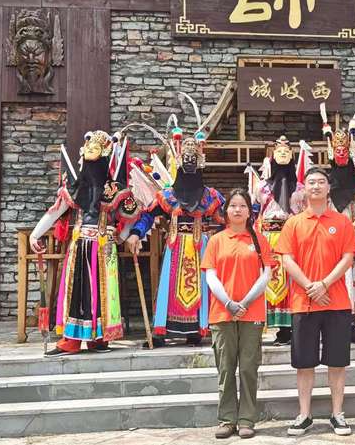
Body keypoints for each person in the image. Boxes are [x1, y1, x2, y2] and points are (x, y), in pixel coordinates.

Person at [126, 96, 225, 347]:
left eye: (194, 158)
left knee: (200, 286)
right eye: (186, 158)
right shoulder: (168, 195)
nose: (190, 162)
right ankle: (163, 330)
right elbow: (149, 214)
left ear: (200, 163)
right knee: (169, 287)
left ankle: (197, 330)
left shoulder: (210, 196)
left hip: (200, 246)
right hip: (175, 246)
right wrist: (136, 233)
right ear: (179, 162)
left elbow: (224, 220)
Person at [30, 130, 137, 356]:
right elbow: (57, 210)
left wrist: (123, 237)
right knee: (79, 293)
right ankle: (75, 339)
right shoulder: (80, 187)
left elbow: (130, 215)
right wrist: (35, 234)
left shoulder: (112, 190)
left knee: (100, 293)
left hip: (100, 247)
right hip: (84, 246)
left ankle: (96, 338)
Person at [276, 167, 355, 436]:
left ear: (328, 187)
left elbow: (348, 257)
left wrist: (324, 284)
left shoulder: (342, 222)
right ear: (304, 188)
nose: (316, 186)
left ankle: (338, 413)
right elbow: (286, 259)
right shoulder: (293, 223)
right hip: (304, 303)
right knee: (304, 362)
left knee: (337, 361)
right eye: (311, 182)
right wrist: (310, 287)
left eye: (321, 182)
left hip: (336, 302)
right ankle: (304, 414)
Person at [202, 189, 275, 440]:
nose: (237, 210)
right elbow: (210, 276)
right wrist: (228, 302)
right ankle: (227, 419)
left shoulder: (259, 240)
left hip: (251, 312)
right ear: (226, 211)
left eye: (242, 205)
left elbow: (266, 275)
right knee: (225, 368)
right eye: (233, 205)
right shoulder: (216, 240)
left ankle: (246, 419)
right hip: (222, 313)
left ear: (249, 211)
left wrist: (244, 302)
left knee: (248, 368)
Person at [319, 104, 355, 345]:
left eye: (344, 150)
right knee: (332, 280)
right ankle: (334, 327)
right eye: (337, 150)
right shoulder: (324, 186)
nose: (341, 154)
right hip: (330, 243)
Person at [250, 136, 309, 346]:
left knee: (291, 281)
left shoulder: (301, 189)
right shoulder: (261, 187)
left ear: (292, 156)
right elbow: (255, 212)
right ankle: (263, 324)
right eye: (279, 151)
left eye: (286, 151)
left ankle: (289, 328)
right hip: (267, 238)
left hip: (291, 238)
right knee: (267, 279)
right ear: (272, 156)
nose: (282, 154)